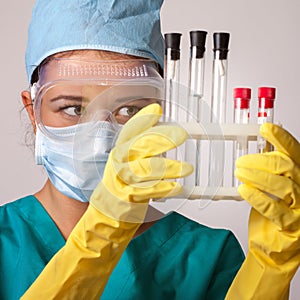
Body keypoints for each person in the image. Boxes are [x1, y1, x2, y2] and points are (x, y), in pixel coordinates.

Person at [0, 0, 299, 299]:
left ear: (161, 113)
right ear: (33, 113)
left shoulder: (206, 257)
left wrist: (270, 270)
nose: (99, 137)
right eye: (73, 108)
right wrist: (101, 234)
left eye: (129, 109)